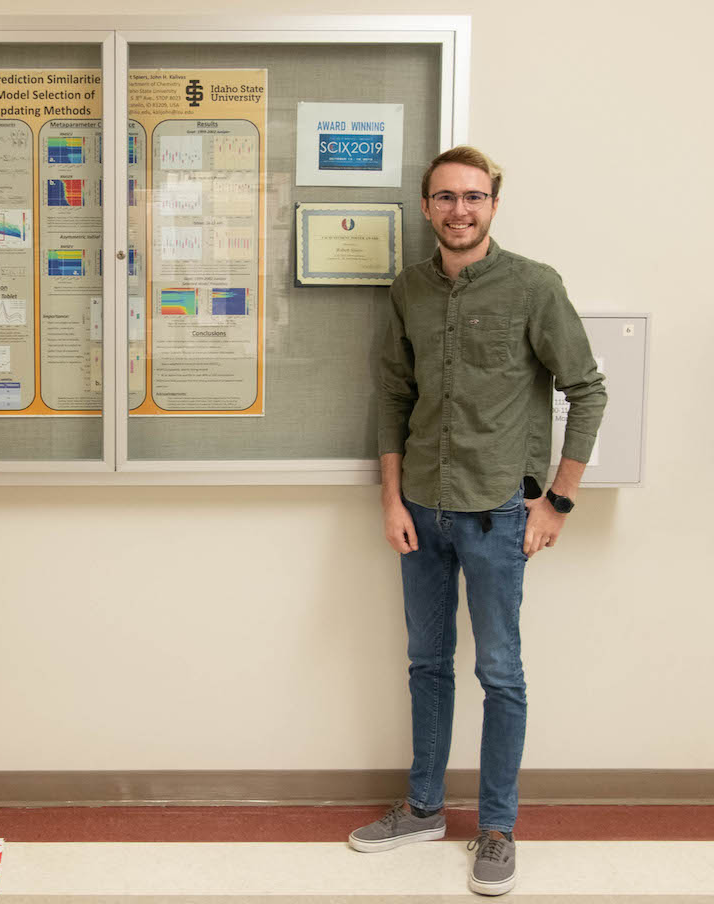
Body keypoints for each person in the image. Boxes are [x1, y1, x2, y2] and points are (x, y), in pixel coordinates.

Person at [349, 146, 606, 896]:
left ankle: (497, 828)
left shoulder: (535, 286)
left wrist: (557, 500)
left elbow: (586, 390)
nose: (460, 210)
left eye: (474, 196)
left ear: (493, 203)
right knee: (426, 665)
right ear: (425, 207)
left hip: (499, 512)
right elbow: (394, 400)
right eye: (445, 198)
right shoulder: (409, 291)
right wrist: (391, 500)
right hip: (421, 512)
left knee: (500, 674)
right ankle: (424, 808)